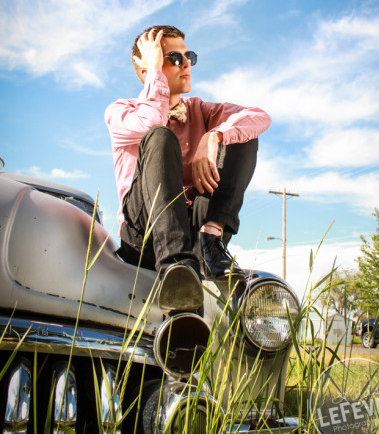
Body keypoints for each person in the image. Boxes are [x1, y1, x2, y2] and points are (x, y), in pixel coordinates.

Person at [105, 26, 271, 313]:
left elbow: (259, 116)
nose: (187, 65)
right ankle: (177, 268)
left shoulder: (199, 109)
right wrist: (155, 71)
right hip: (143, 235)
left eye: (189, 56)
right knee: (159, 136)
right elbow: (151, 123)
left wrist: (214, 136)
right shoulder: (120, 111)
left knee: (241, 132)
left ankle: (212, 241)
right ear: (147, 69)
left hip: (193, 226)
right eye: (174, 58)